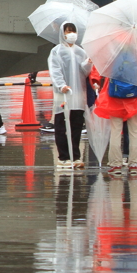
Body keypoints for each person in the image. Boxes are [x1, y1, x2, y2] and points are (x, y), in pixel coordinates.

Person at [47, 22, 92, 169]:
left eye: (73, 31)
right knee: (61, 125)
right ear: (62, 33)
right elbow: (55, 70)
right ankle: (63, 157)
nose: (71, 34)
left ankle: (76, 156)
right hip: (64, 95)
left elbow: (85, 72)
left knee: (76, 126)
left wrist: (88, 64)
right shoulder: (57, 51)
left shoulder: (81, 52)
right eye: (68, 31)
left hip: (78, 93)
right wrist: (61, 85)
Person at [94, 67, 137, 176]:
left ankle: (116, 164)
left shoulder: (112, 58)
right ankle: (133, 165)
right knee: (135, 132)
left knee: (115, 131)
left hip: (114, 99)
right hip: (136, 99)